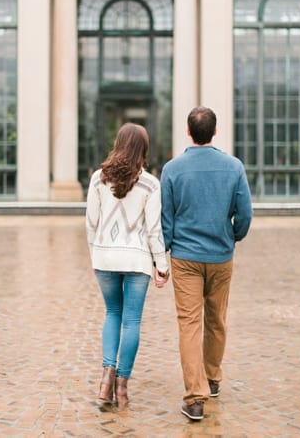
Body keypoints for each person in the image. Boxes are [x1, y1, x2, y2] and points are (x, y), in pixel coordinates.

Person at [160, 107, 252, 421]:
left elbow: (166, 219)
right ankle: (212, 379)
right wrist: (231, 236)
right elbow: (245, 214)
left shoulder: (172, 169)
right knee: (217, 320)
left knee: (189, 325)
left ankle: (194, 399)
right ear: (215, 132)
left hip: (185, 257)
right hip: (220, 256)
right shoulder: (234, 166)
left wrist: (169, 247)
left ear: (188, 132)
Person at [86, 123, 169, 410]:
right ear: (143, 149)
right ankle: (121, 387)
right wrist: (162, 265)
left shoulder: (98, 179)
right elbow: (153, 230)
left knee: (112, 313)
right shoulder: (150, 183)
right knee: (131, 321)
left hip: (106, 257)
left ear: (118, 143)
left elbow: (91, 223)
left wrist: (94, 255)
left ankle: (105, 380)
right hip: (137, 259)